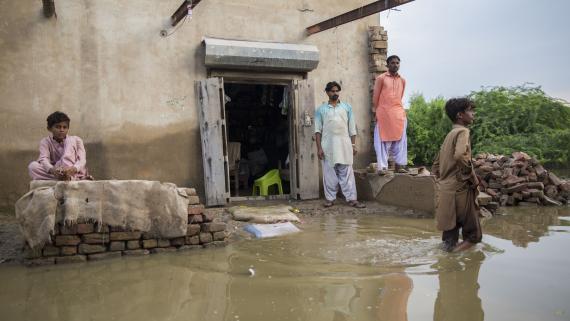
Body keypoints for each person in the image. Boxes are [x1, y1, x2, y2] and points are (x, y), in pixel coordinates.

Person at [432, 98, 482, 252]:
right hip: (460, 189)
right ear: (460, 115)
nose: (474, 113)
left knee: (449, 240)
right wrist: (471, 177)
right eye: (470, 111)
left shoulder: (450, 134)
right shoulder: (463, 131)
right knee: (474, 236)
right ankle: (451, 259)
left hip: (446, 191)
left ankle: (446, 266)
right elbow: (460, 155)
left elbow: (435, 166)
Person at [315, 81, 365, 208]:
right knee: (329, 173)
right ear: (327, 92)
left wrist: (353, 145)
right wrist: (319, 148)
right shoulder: (321, 110)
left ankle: (352, 199)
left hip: (344, 145)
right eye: (332, 91)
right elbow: (317, 130)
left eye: (337, 91)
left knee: (347, 173)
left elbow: (352, 128)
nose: (335, 93)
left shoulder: (347, 107)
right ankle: (330, 199)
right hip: (328, 146)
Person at [28, 111, 91, 181]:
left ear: (68, 128)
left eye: (65, 127)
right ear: (49, 128)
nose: (61, 130)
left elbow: (82, 160)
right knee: (32, 166)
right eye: (58, 127)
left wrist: (73, 169)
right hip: (57, 171)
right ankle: (65, 178)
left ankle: (69, 176)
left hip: (74, 171)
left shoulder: (76, 140)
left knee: (70, 140)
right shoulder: (45, 142)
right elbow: (44, 159)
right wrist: (53, 171)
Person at [372, 55, 408, 175]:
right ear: (387, 65)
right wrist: (378, 111)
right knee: (382, 140)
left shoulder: (402, 80)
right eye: (392, 63)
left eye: (397, 63)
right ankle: (382, 167)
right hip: (384, 114)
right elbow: (375, 98)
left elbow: (400, 97)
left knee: (401, 140)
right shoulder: (381, 78)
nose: (395, 65)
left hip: (398, 114)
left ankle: (400, 165)